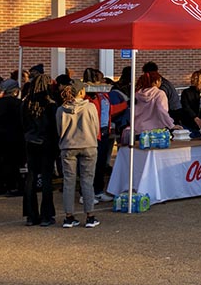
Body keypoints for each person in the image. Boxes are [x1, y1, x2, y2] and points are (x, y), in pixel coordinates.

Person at [56, 81, 101, 229]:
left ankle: (69, 217)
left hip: (68, 146)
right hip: (88, 144)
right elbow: (96, 126)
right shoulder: (90, 107)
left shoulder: (61, 109)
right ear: (81, 92)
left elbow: (59, 129)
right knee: (87, 181)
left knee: (69, 182)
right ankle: (90, 216)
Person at [82, 67, 128, 201]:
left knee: (101, 163)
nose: (104, 81)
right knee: (90, 164)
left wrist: (124, 105)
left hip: (104, 131)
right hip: (92, 133)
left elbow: (108, 111)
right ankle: (86, 193)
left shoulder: (104, 94)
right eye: (101, 78)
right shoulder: (88, 95)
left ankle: (98, 190)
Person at [20, 73, 60, 227]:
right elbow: (54, 127)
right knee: (46, 178)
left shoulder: (25, 103)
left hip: (30, 141)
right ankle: (46, 215)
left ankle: (31, 215)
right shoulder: (50, 104)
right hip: (47, 143)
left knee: (31, 177)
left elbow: (22, 123)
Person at [0, 79, 25, 196]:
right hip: (12, 138)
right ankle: (13, 187)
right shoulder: (18, 104)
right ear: (15, 91)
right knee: (12, 163)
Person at [122, 71, 176, 144]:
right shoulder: (159, 94)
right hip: (155, 133)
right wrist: (171, 125)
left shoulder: (137, 94)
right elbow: (162, 111)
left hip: (138, 130)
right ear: (156, 81)